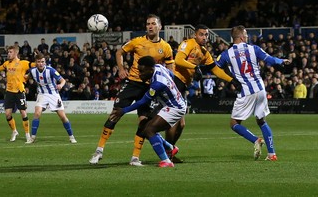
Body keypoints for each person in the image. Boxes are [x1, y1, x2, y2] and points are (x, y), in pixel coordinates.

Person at [89, 14, 174, 166]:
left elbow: (170, 68)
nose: (150, 26)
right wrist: (121, 69)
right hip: (132, 83)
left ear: (160, 26)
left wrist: (168, 82)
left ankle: (135, 158)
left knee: (144, 122)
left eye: (153, 23)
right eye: (148, 23)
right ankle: (99, 151)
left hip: (149, 87)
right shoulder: (137, 42)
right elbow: (119, 52)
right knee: (115, 114)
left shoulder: (166, 47)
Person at [215, 25, 291, 161]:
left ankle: (256, 140)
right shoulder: (254, 49)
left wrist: (230, 78)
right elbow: (271, 60)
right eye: (246, 35)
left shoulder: (227, 54)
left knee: (234, 123)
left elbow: (215, 67)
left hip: (246, 91)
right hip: (260, 89)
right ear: (242, 37)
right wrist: (281, 61)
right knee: (261, 121)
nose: (248, 37)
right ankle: (272, 154)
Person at [166, 24, 239, 162]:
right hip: (175, 83)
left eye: (206, 35)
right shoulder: (188, 44)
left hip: (182, 87)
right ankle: (166, 153)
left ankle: (169, 151)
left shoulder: (204, 52)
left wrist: (232, 80)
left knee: (181, 124)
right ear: (195, 35)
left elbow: (215, 70)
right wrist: (195, 67)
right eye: (201, 34)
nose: (204, 37)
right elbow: (178, 60)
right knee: (175, 123)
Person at [110, 56, 186, 168]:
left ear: (150, 69)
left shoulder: (157, 84)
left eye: (142, 71)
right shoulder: (159, 67)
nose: (140, 74)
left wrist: (123, 111)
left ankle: (166, 161)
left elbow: (142, 101)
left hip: (174, 108)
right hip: (171, 104)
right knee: (145, 125)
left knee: (149, 130)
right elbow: (172, 75)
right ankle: (170, 148)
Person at [0, 45, 36, 142]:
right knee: (8, 115)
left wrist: (38, 60)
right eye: (8, 52)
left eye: (10, 52)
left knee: (23, 113)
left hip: (19, 91)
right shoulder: (6, 64)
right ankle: (14, 131)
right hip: (9, 91)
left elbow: (35, 65)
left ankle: (27, 135)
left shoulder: (23, 63)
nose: (8, 54)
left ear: (16, 53)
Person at [25, 53, 77, 144]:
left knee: (62, 116)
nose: (41, 64)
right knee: (37, 113)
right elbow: (27, 76)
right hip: (42, 94)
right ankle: (32, 138)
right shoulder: (33, 71)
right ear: (36, 63)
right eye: (39, 62)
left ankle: (71, 136)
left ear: (45, 62)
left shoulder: (51, 70)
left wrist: (60, 85)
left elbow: (63, 80)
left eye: (42, 62)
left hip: (53, 94)